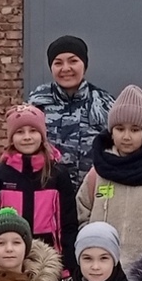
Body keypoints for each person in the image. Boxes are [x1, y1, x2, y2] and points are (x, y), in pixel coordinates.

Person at [76, 84, 142, 273]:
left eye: (135, 129)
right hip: (104, 275)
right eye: (120, 128)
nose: (126, 136)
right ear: (111, 131)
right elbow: (82, 214)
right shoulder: (97, 174)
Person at [0, 104, 78, 274]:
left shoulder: (58, 175)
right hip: (7, 261)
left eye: (33, 130)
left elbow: (68, 225)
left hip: (48, 262)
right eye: (19, 132)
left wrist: (69, 265)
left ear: (42, 134)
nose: (27, 137)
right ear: (11, 137)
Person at [27, 35, 114, 187]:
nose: (66, 68)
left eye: (73, 61)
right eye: (58, 63)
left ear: (84, 64)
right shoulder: (37, 102)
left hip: (93, 194)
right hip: (47, 194)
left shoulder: (104, 102)